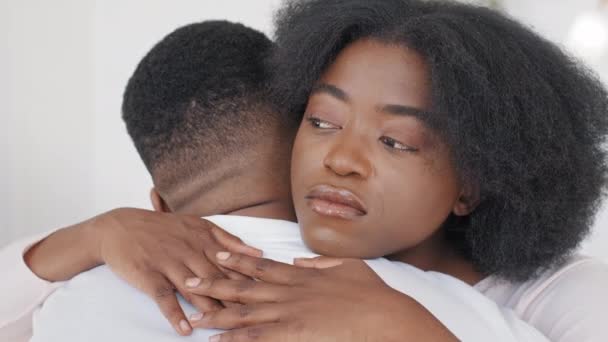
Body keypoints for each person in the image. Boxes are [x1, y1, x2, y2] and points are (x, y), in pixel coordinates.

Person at [2, 0, 608, 340]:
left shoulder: (558, 297)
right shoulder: (186, 273)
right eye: (321, 121)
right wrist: (94, 235)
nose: (339, 159)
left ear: (471, 186)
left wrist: (398, 326)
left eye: (396, 141)